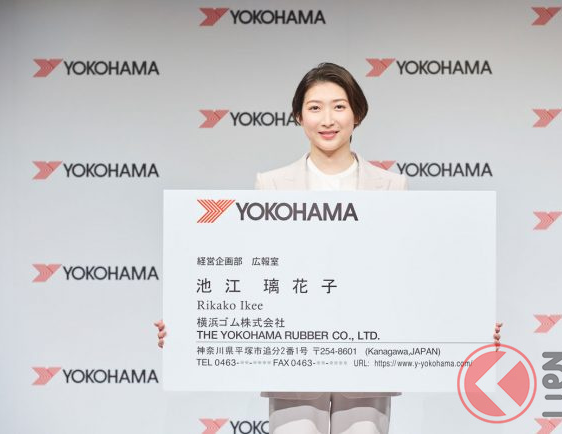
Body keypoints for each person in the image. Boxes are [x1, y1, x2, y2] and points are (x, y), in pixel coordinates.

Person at [155, 62, 503, 434]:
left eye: (339, 106)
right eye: (315, 107)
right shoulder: (271, 185)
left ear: (357, 114)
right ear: (298, 116)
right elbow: (252, 269)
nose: (327, 119)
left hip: (369, 358)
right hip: (292, 358)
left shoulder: (391, 186)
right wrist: (187, 324)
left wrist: (468, 323)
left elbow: (411, 273)